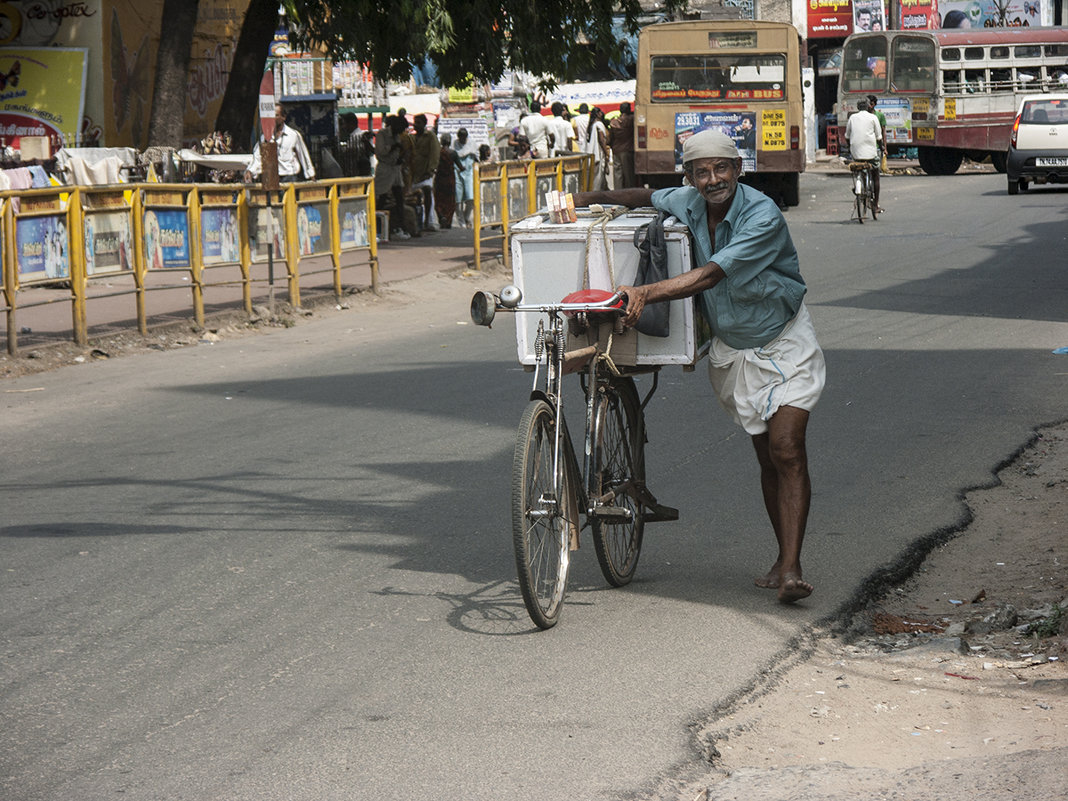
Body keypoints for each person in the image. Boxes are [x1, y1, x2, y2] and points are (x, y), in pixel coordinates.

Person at [573, 129, 826, 604]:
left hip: (785, 343)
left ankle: (792, 568)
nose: (713, 180)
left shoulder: (762, 214)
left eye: (722, 168)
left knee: (787, 448)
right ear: (689, 177)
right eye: (702, 171)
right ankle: (781, 556)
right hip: (733, 351)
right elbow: (639, 195)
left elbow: (712, 274)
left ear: (738, 169)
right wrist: (580, 198)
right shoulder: (687, 202)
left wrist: (646, 292)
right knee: (766, 455)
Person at [245, 104, 316, 183]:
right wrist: (250, 171)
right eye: (271, 116)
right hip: (271, 178)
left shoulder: (293, 135)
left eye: (276, 115)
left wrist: (310, 175)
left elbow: (304, 156)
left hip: (289, 177)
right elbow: (257, 157)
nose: (273, 119)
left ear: (283, 117)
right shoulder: (265, 137)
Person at [375, 115, 417, 239]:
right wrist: (393, 147)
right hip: (385, 169)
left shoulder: (397, 136)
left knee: (399, 198)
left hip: (395, 169)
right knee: (382, 198)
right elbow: (380, 152)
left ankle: (402, 227)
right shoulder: (382, 135)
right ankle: (377, 228)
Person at [844, 98, 883, 212]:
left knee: (858, 168)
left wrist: (850, 147)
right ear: (868, 107)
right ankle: (875, 204)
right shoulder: (873, 117)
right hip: (870, 153)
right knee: (875, 174)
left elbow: (847, 136)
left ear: (857, 107)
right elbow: (879, 137)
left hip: (856, 153)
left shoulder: (852, 117)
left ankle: (858, 185)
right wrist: (882, 147)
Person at [410, 114, 441, 231]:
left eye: (418, 122)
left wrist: (431, 170)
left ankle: (429, 221)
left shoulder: (430, 136)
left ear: (424, 123)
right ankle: (418, 222)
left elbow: (435, 154)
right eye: (415, 122)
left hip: (426, 172)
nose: (415, 125)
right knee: (415, 198)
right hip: (413, 173)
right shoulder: (411, 138)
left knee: (427, 193)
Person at [453, 127, 479, 227]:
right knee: (457, 199)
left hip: (469, 172)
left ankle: (466, 216)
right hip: (457, 172)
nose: (462, 140)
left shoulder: (472, 143)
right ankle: (461, 222)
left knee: (470, 198)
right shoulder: (454, 144)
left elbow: (477, 157)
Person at [609, 102, 636, 188]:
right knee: (628, 174)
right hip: (627, 150)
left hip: (616, 149)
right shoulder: (631, 120)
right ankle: (629, 192)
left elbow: (611, 138)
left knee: (617, 173)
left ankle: (618, 191)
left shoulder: (614, 122)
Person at [434, 132, 458, 228]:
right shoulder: (453, 153)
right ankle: (448, 221)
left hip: (440, 179)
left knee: (439, 200)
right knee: (450, 201)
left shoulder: (438, 152)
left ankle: (441, 216)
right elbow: (461, 167)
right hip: (450, 180)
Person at [585, 106, 610, 190]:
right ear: (597, 114)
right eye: (600, 112)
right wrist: (606, 152)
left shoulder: (592, 124)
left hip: (593, 153)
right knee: (598, 176)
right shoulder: (599, 124)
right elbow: (601, 139)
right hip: (599, 152)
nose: (601, 114)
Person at [867, 94, 888, 174]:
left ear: (875, 105)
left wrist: (885, 148)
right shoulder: (863, 116)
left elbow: (883, 132)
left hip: (877, 147)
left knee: (876, 170)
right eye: (868, 104)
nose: (869, 106)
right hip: (867, 146)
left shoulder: (880, 115)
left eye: (871, 104)